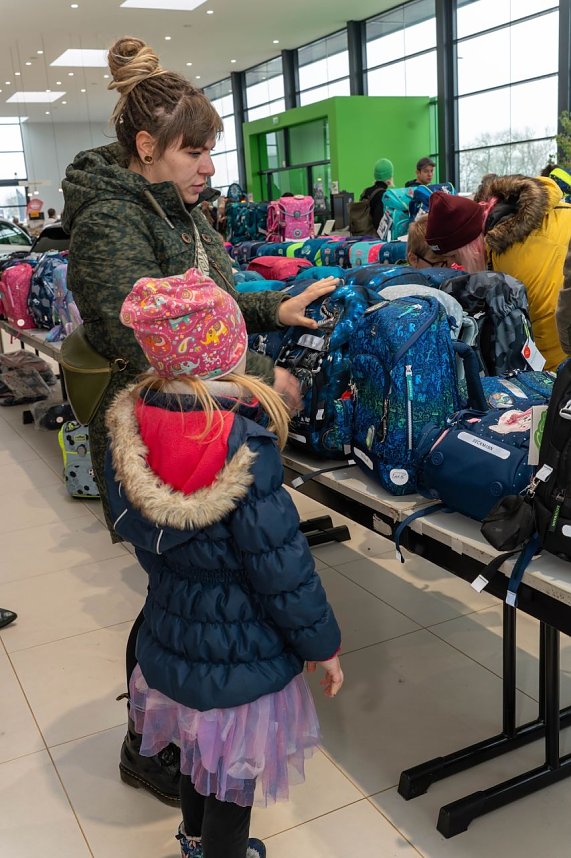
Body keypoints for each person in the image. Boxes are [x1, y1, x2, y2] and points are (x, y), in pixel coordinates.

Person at [62, 35, 338, 807]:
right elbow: (147, 335)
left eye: (210, 149)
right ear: (147, 147)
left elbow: (207, 305)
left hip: (196, 427)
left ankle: (166, 738)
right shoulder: (110, 221)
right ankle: (147, 746)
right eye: (195, 150)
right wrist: (263, 377)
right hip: (154, 439)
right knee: (174, 596)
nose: (209, 166)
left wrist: (272, 306)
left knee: (183, 594)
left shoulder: (177, 210)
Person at [104, 268, 343, 858]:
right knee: (232, 773)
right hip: (240, 650)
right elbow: (283, 572)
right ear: (228, 354)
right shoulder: (243, 447)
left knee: (194, 751)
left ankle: (193, 840)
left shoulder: (135, 427)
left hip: (172, 631)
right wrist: (323, 646)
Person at [425, 179, 571, 370]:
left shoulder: (520, 257)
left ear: (468, 246)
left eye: (454, 256)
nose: (455, 265)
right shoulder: (506, 221)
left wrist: (547, 382)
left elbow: (551, 333)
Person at [358, 157, 394, 232]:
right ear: (390, 176)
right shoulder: (384, 195)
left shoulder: (366, 191)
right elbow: (379, 221)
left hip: (361, 232)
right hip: (373, 235)